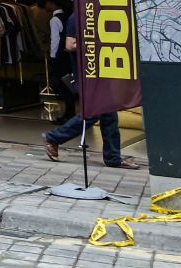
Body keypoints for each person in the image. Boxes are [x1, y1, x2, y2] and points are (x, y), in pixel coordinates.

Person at [43, 29, 122, 166]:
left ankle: (113, 158)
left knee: (109, 114)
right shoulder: (76, 17)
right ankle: (54, 137)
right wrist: (96, 44)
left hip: (99, 70)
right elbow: (70, 45)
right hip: (88, 73)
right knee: (94, 112)